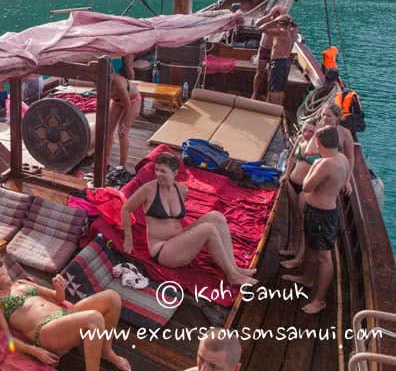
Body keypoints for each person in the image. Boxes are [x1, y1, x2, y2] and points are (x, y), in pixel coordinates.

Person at [0, 251, 130, 371]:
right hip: (45, 331)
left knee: (112, 297)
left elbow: (58, 298)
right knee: (94, 318)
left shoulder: (22, 282)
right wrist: (35, 351)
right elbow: (6, 337)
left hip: (64, 315)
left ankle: (106, 351)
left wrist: (59, 287)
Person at [120, 153, 257, 286]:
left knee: (216, 216)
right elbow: (126, 209)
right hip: (162, 249)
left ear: (175, 173)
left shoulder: (182, 190)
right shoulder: (148, 190)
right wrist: (128, 239)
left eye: (163, 171)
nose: (158, 174)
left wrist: (190, 236)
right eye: (157, 170)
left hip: (178, 240)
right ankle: (232, 276)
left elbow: (174, 220)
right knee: (208, 229)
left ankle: (233, 267)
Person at [282, 126, 349, 314]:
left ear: (319, 142)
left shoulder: (325, 163)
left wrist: (313, 163)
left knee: (324, 257)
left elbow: (307, 186)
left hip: (321, 216)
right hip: (322, 213)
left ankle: (319, 300)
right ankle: (307, 277)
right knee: (312, 248)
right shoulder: (341, 159)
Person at [279, 121, 317, 269]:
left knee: (303, 223)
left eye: (310, 132)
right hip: (292, 182)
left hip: (305, 189)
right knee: (295, 217)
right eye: (304, 130)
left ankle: (300, 257)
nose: (306, 134)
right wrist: (286, 175)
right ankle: (294, 248)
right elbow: (291, 158)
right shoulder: (300, 139)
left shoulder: (318, 147)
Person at [105, 55, 141, 173]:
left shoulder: (118, 84)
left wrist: (124, 123)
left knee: (122, 132)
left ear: (111, 75)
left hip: (132, 102)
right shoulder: (100, 81)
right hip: (117, 102)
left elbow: (127, 105)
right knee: (108, 131)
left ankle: (122, 165)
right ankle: (105, 161)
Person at [258, 13, 298, 105]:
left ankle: (271, 108)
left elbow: (261, 28)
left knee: (274, 89)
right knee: (280, 89)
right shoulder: (290, 32)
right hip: (285, 62)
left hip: (278, 62)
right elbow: (295, 26)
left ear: (279, 23)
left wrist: (273, 21)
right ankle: (278, 107)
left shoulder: (280, 32)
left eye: (277, 22)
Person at [250, 6, 281, 100]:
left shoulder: (281, 23)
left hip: (274, 52)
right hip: (264, 48)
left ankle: (268, 96)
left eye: (277, 13)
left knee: (272, 76)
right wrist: (270, 15)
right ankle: (254, 94)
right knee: (259, 73)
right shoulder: (268, 20)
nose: (276, 15)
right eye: (275, 13)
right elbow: (257, 24)